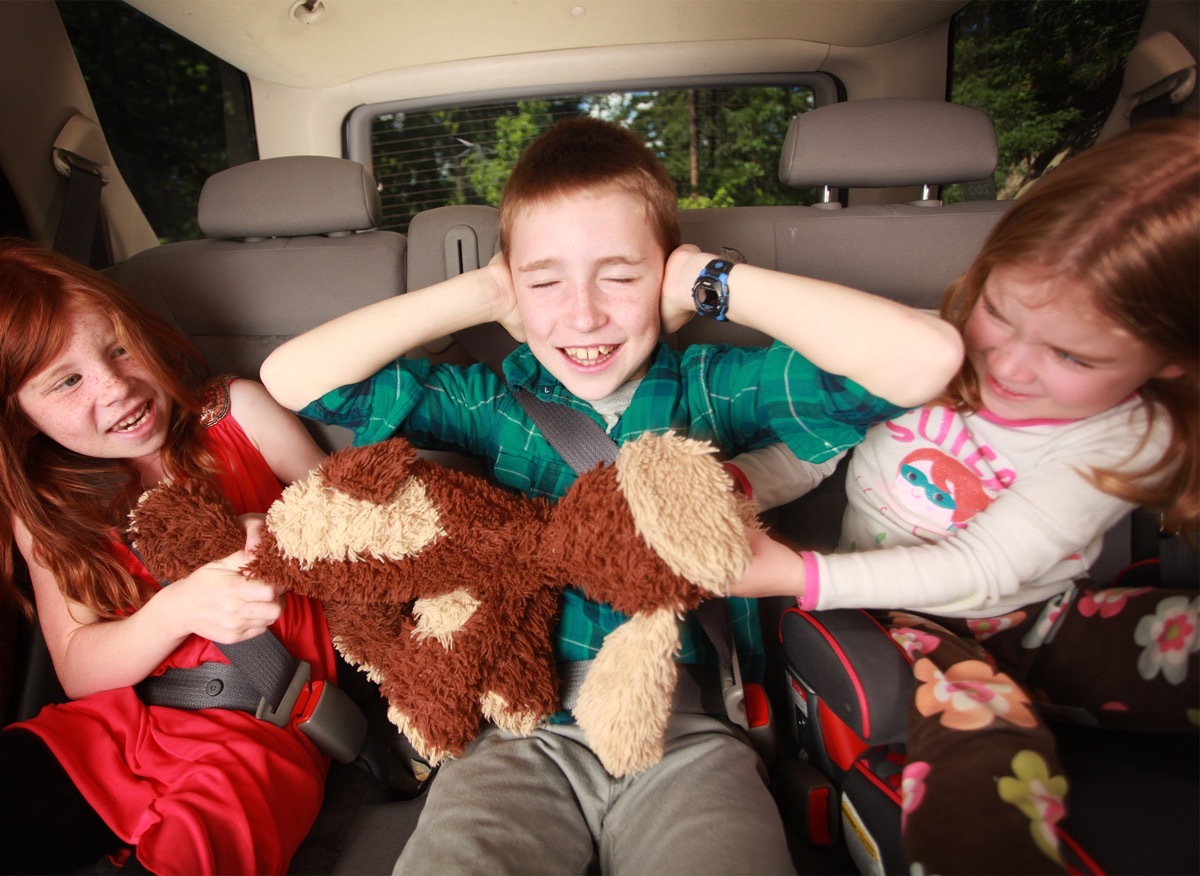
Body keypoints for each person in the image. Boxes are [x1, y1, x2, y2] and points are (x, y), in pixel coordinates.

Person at [260, 116, 963, 874]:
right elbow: (295, 381)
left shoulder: (709, 390)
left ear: (665, 279)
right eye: (545, 281)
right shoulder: (494, 402)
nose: (584, 314)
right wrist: (481, 290)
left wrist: (711, 281)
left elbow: (926, 360)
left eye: (621, 276)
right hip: (515, 729)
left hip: (685, 730)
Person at [732, 116, 1200, 873]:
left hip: (1042, 612)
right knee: (986, 750)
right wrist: (746, 482)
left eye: (1071, 355)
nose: (1009, 365)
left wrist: (800, 574)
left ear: (1171, 360)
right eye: (1000, 314)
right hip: (910, 622)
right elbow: (821, 448)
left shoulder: (1131, 433)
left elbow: (988, 569)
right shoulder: (927, 352)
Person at [0, 239, 337, 875]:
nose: (118, 387)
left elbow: (366, 534)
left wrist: (286, 535)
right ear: (18, 417)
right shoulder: (45, 506)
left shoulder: (237, 414)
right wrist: (174, 610)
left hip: (261, 729)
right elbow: (78, 669)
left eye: (119, 348)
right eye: (68, 381)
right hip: (108, 732)